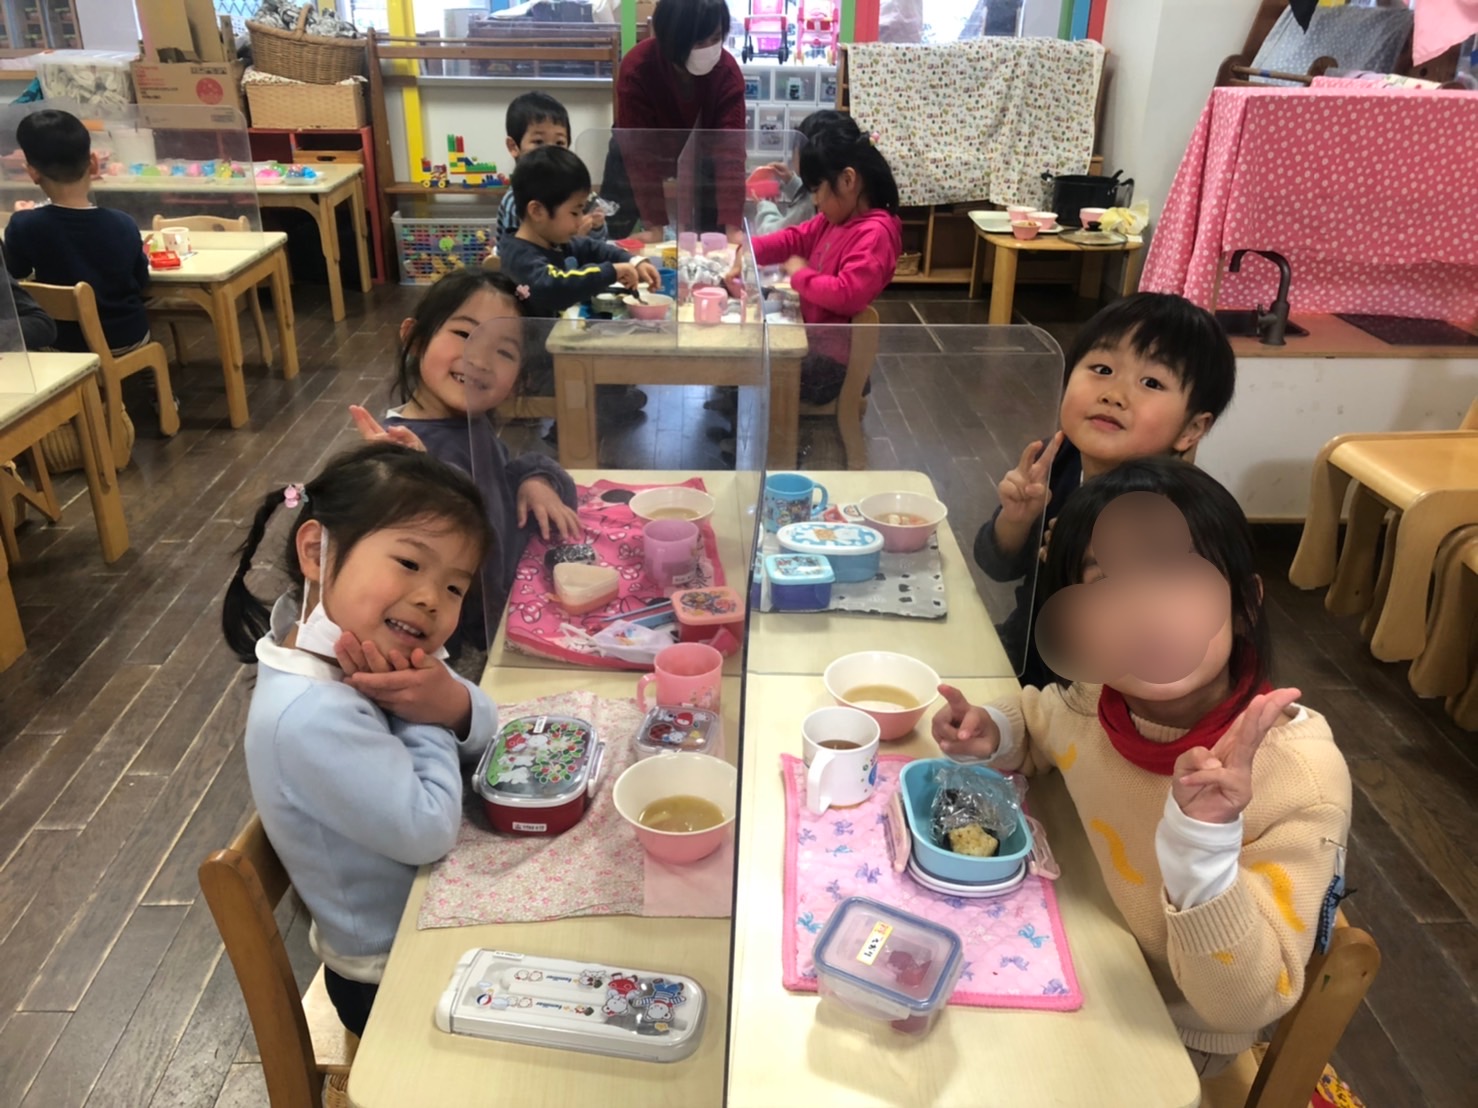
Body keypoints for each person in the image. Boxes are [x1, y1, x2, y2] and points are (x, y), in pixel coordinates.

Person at [933, 457, 1351, 1076]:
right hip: (1083, 942)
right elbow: (1041, 720)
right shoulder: (1093, 699)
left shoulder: (1297, 776)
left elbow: (1244, 1004)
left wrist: (1203, 845)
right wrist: (992, 730)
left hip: (1175, 1027)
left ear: (1243, 605)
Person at [222, 442, 500, 1037]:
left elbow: (486, 728)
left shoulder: (356, 649)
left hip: (430, 921)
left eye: (455, 588)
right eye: (409, 562)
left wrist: (448, 704)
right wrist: (422, 715)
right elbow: (427, 830)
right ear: (316, 551)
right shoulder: (309, 714)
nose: (430, 598)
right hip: (390, 975)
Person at [974, 293, 1236, 688]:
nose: (1114, 394)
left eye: (1151, 382)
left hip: (1104, 687)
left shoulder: (1173, 516)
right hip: (1026, 649)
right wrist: (1016, 520)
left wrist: (1083, 566)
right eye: (1102, 369)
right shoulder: (1055, 460)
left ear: (1191, 429)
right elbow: (995, 566)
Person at [348, 270, 580, 651]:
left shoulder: (472, 423)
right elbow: (439, 533)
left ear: (519, 378)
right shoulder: (398, 447)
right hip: (456, 645)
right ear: (415, 338)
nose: (480, 359)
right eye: (463, 334)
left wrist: (533, 481)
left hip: (511, 605)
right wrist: (418, 479)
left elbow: (502, 476)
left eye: (504, 352)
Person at [741, 118, 902, 405]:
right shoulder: (836, 218)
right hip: (813, 343)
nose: (814, 201)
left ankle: (763, 426)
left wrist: (801, 275)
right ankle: (734, 408)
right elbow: (794, 239)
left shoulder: (875, 234)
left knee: (749, 370)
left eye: (817, 190)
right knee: (746, 357)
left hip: (833, 365)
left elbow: (847, 294)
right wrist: (749, 250)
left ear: (848, 180)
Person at [2, 109, 149, 354]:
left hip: (62, 344)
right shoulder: (123, 223)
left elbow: (15, 274)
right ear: (94, 163)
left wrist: (22, 219)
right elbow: (141, 280)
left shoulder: (25, 225)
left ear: (32, 172)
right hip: (127, 338)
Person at [606, 0, 746, 240]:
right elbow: (639, 157)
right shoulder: (637, 68)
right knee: (612, 229)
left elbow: (730, 155)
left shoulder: (727, 73)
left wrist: (733, 229)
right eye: (699, 42)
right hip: (636, 151)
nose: (709, 49)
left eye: (715, 38)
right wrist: (655, 227)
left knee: (715, 237)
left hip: (704, 152)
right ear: (672, 40)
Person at [495, 91, 607, 246]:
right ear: (513, 146)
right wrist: (576, 240)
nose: (550, 151)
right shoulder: (516, 201)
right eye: (538, 142)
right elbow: (519, 255)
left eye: (559, 143)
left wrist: (596, 227)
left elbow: (598, 245)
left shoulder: (572, 191)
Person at [749, 109, 848, 235]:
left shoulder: (810, 204)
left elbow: (774, 234)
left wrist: (765, 208)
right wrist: (792, 182)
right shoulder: (831, 186)